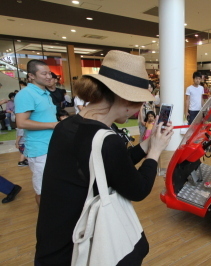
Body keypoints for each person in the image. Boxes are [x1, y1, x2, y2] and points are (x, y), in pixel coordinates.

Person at [35, 50, 174, 265]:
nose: (138, 111)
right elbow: (138, 189)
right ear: (125, 99)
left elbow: (108, 162)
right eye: (139, 103)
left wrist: (146, 145)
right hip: (83, 240)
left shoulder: (66, 125)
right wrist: (155, 153)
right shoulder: (108, 140)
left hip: (54, 233)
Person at [15, 59, 58, 206]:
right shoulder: (26, 94)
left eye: (49, 73)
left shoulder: (44, 93)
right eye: (44, 73)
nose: (48, 76)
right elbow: (21, 122)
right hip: (39, 149)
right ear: (31, 76)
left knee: (53, 186)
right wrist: (53, 125)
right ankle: (46, 223)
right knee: (43, 190)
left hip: (51, 146)